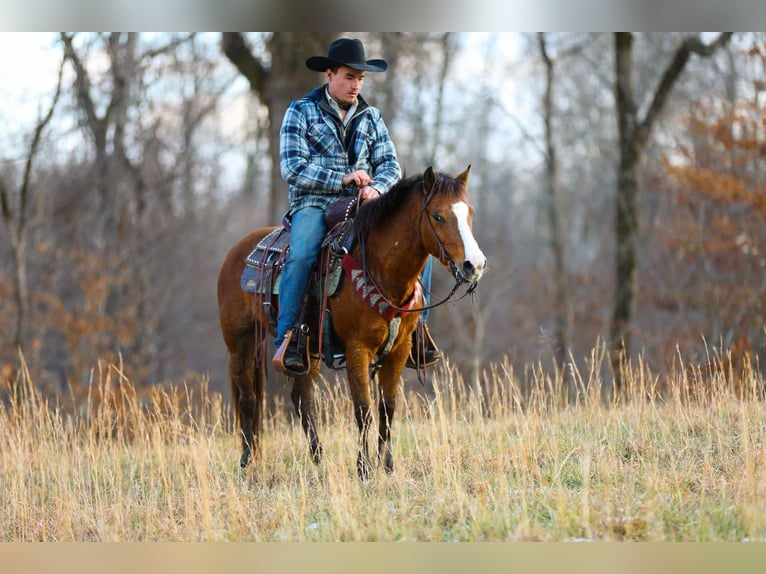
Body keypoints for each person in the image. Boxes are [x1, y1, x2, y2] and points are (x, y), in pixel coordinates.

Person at [273, 37, 440, 375]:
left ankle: (416, 329)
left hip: (365, 205)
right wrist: (342, 179)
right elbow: (293, 167)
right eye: (349, 77)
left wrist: (377, 187)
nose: (356, 85)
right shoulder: (300, 111)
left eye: (360, 79)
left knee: (419, 244)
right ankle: (289, 336)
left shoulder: (371, 116)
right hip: (314, 204)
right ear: (329, 74)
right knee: (303, 251)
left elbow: (390, 164)